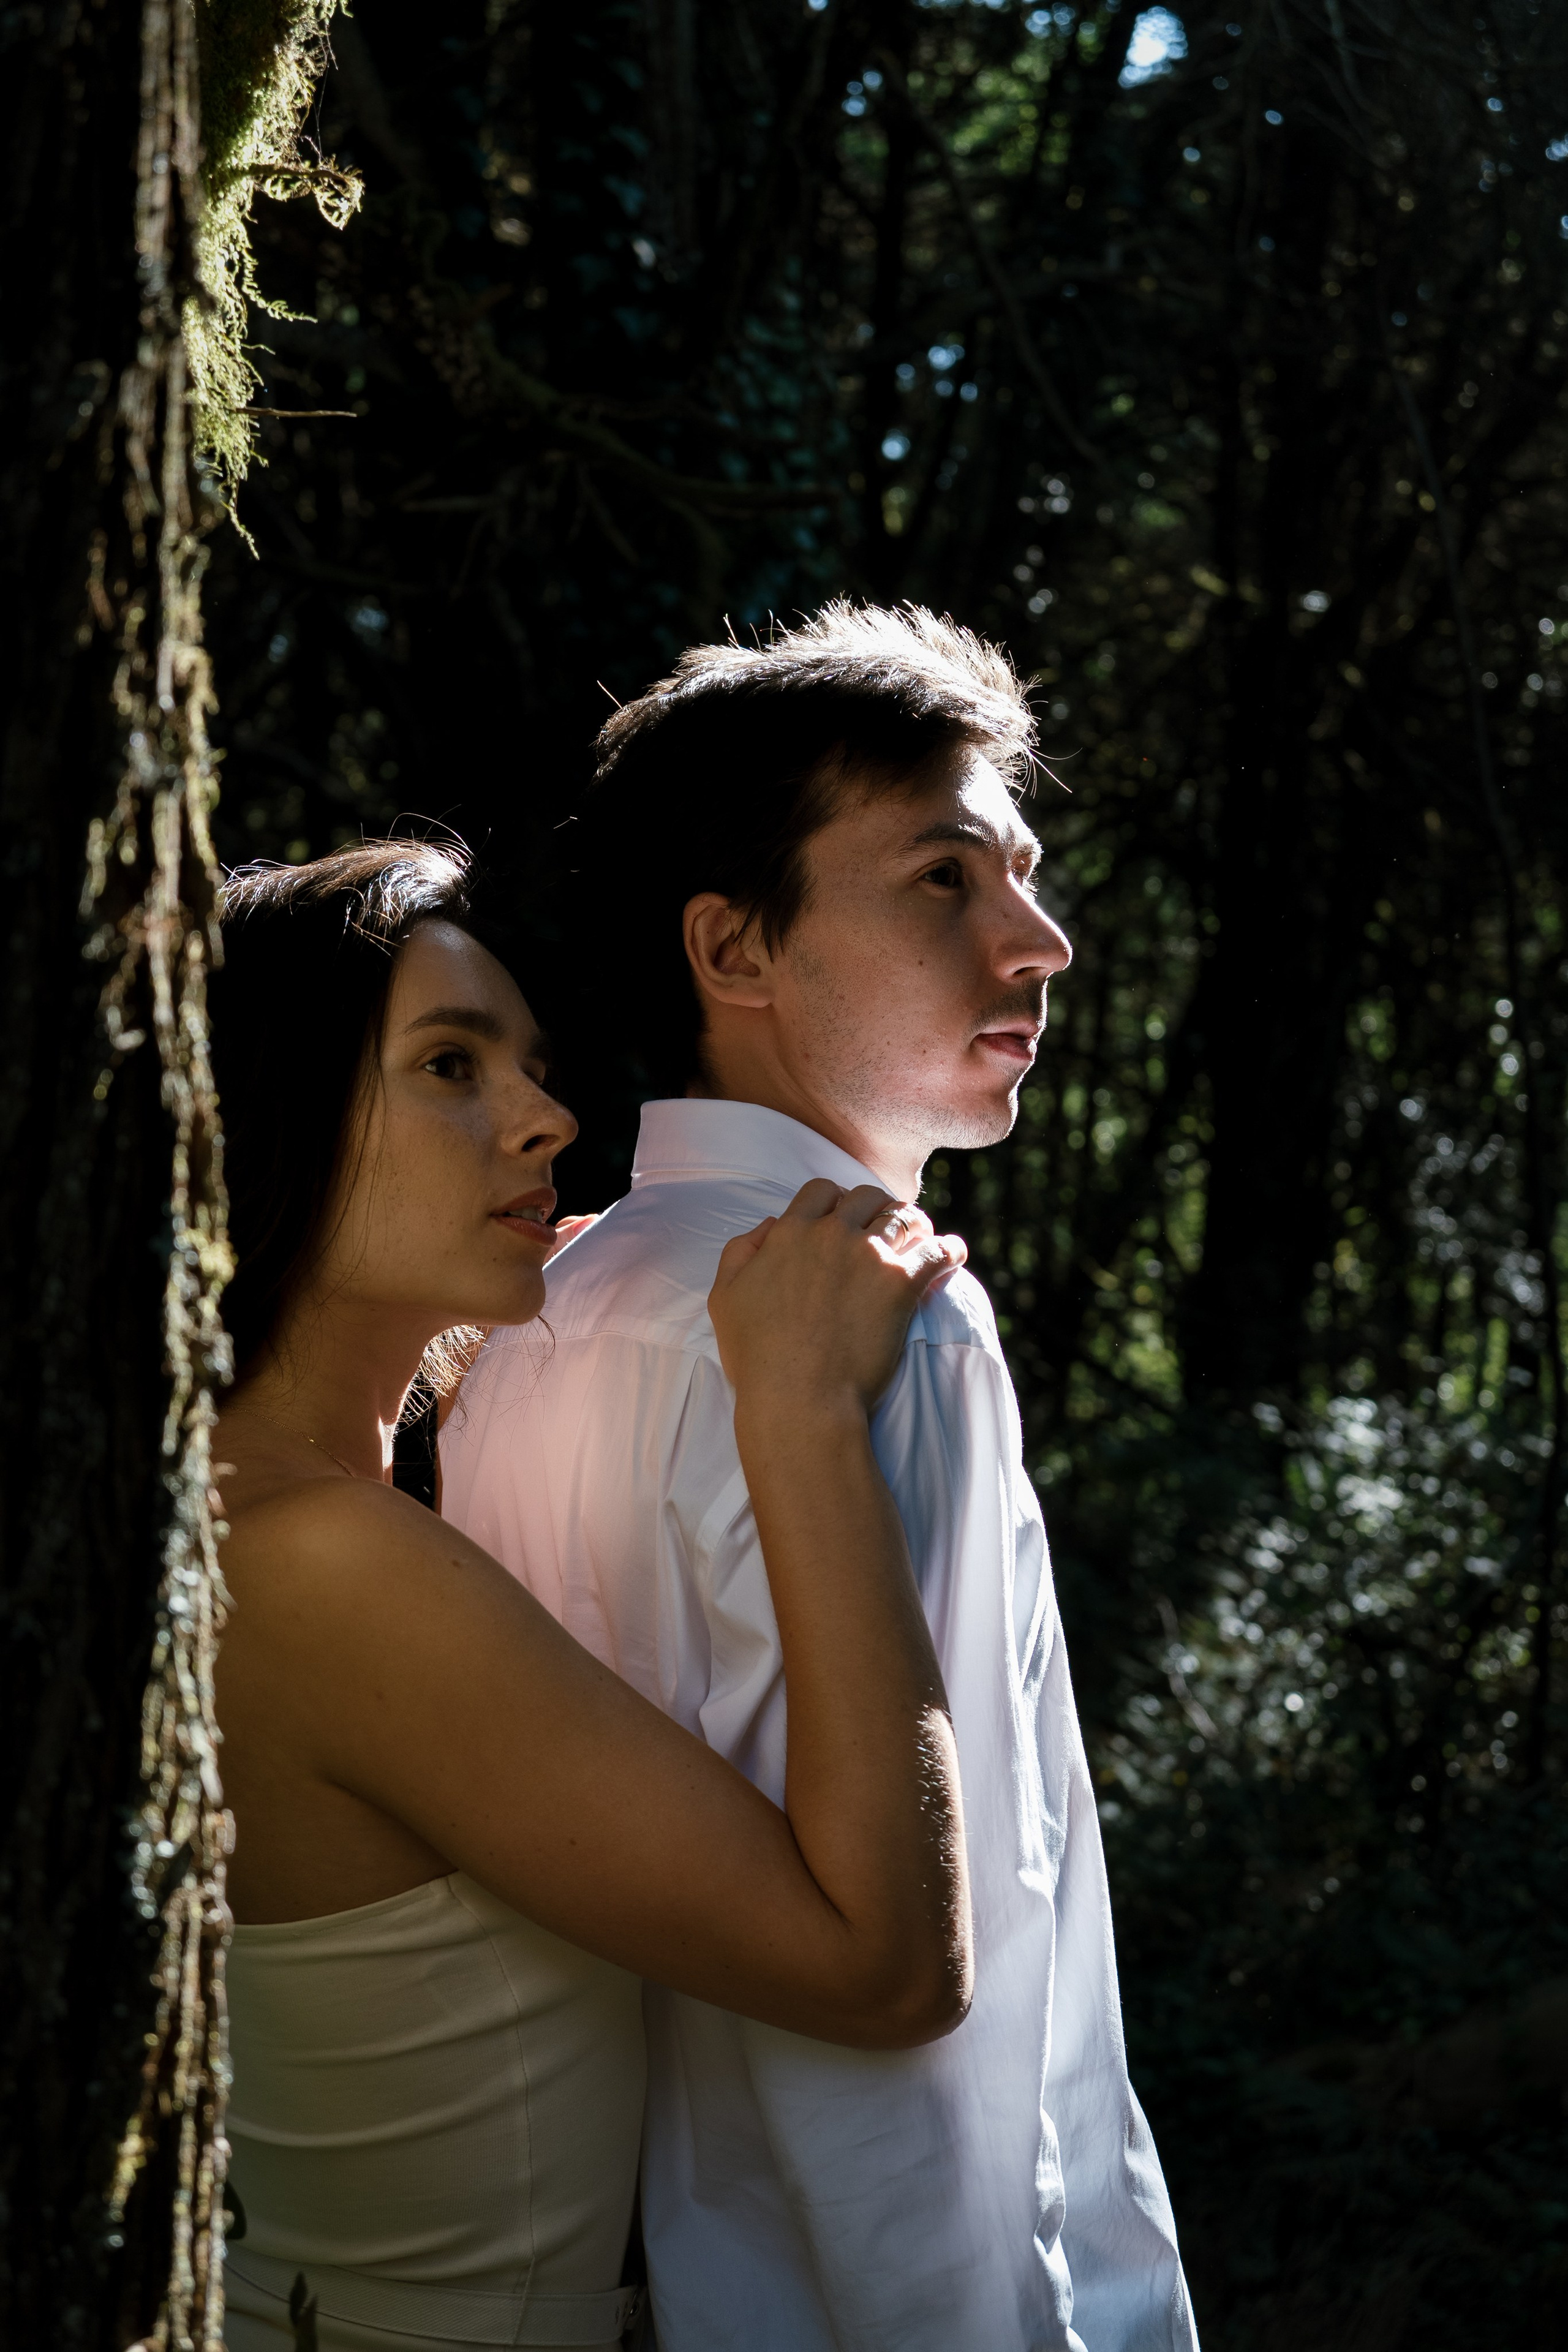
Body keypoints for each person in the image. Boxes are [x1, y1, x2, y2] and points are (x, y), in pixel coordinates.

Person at [441, 605, 1199, 2351]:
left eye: (1024, 872)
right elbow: (963, 2006)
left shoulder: (546, 1305)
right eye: (945, 879)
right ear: (736, 947)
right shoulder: (891, 1331)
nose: (1044, 940)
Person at [206, 840, 976, 2352]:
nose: (545, 1117)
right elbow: (882, 1967)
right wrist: (800, 1416)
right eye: (449, 1065)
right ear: (267, 1116)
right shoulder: (326, 1566)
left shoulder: (260, 1516)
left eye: (533, 1066)